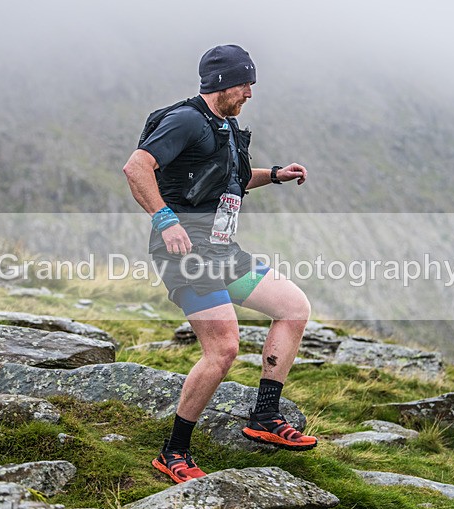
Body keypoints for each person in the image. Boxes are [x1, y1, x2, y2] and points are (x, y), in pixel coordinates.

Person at [123, 44, 317, 484]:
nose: (250, 92)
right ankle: (173, 451)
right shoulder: (186, 120)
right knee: (224, 349)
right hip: (186, 254)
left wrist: (275, 175)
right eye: (245, 83)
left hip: (223, 252)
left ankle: (264, 416)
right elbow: (137, 167)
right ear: (221, 83)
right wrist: (165, 219)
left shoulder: (225, 127)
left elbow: (231, 180)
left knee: (293, 307)